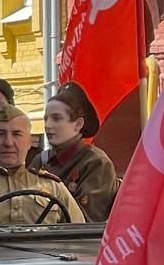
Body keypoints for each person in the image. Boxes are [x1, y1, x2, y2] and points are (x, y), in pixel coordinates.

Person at [40, 81, 119, 222]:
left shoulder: (96, 163)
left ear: (78, 125)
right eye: (46, 119)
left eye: (56, 118)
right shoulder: (40, 161)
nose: (48, 125)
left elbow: (86, 221)